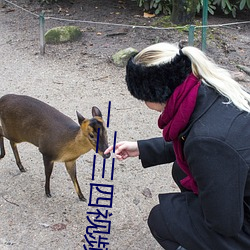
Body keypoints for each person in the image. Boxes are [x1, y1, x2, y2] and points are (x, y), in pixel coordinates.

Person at [104, 42, 250, 250]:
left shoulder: (207, 142)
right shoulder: (209, 88)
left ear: (155, 93)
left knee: (162, 218)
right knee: (181, 170)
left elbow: (225, 224)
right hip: (241, 186)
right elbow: (194, 139)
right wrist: (142, 148)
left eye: (143, 98)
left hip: (241, 222)